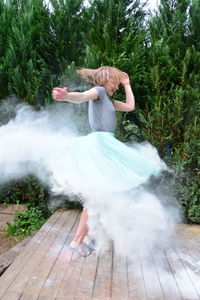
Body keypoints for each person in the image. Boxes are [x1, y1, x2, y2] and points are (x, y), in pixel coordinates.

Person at [52, 66, 164, 256]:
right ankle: (78, 241)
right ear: (104, 79)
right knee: (95, 196)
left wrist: (127, 84)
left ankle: (85, 237)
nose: (116, 87)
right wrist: (67, 96)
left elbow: (130, 107)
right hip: (99, 146)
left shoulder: (109, 101)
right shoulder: (100, 92)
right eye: (115, 82)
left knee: (100, 195)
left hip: (106, 146)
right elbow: (82, 97)